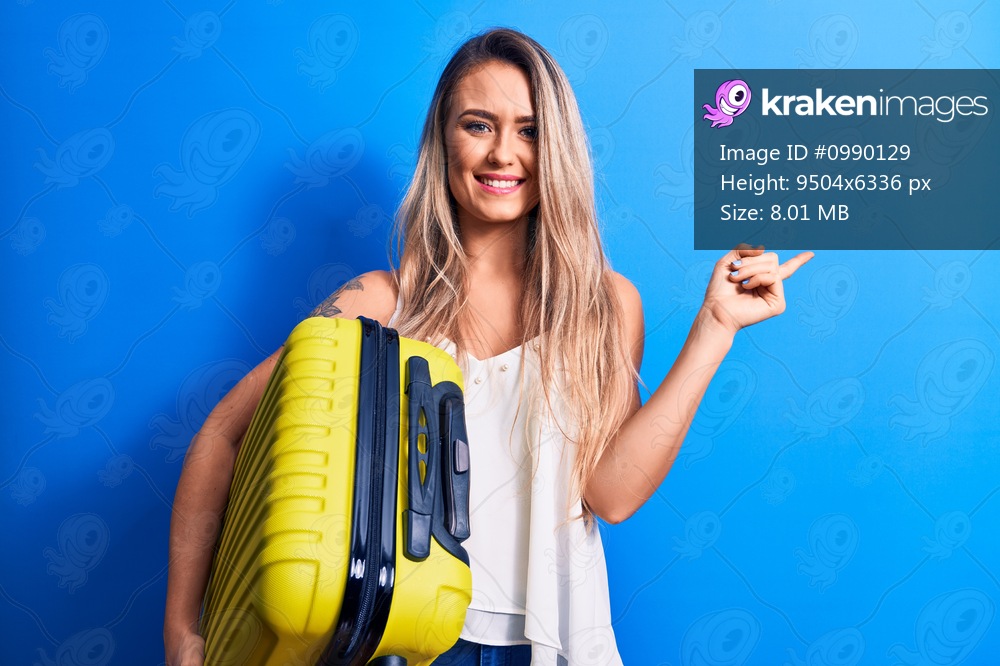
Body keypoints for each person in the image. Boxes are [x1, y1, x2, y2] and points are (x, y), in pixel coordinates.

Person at [163, 28, 812, 666]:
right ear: (443, 142)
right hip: (401, 642)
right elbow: (223, 433)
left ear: (556, 147)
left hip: (555, 643)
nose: (504, 153)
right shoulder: (381, 305)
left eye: (529, 130)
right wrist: (182, 630)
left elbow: (610, 495)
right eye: (478, 125)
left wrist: (714, 330)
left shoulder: (605, 305)